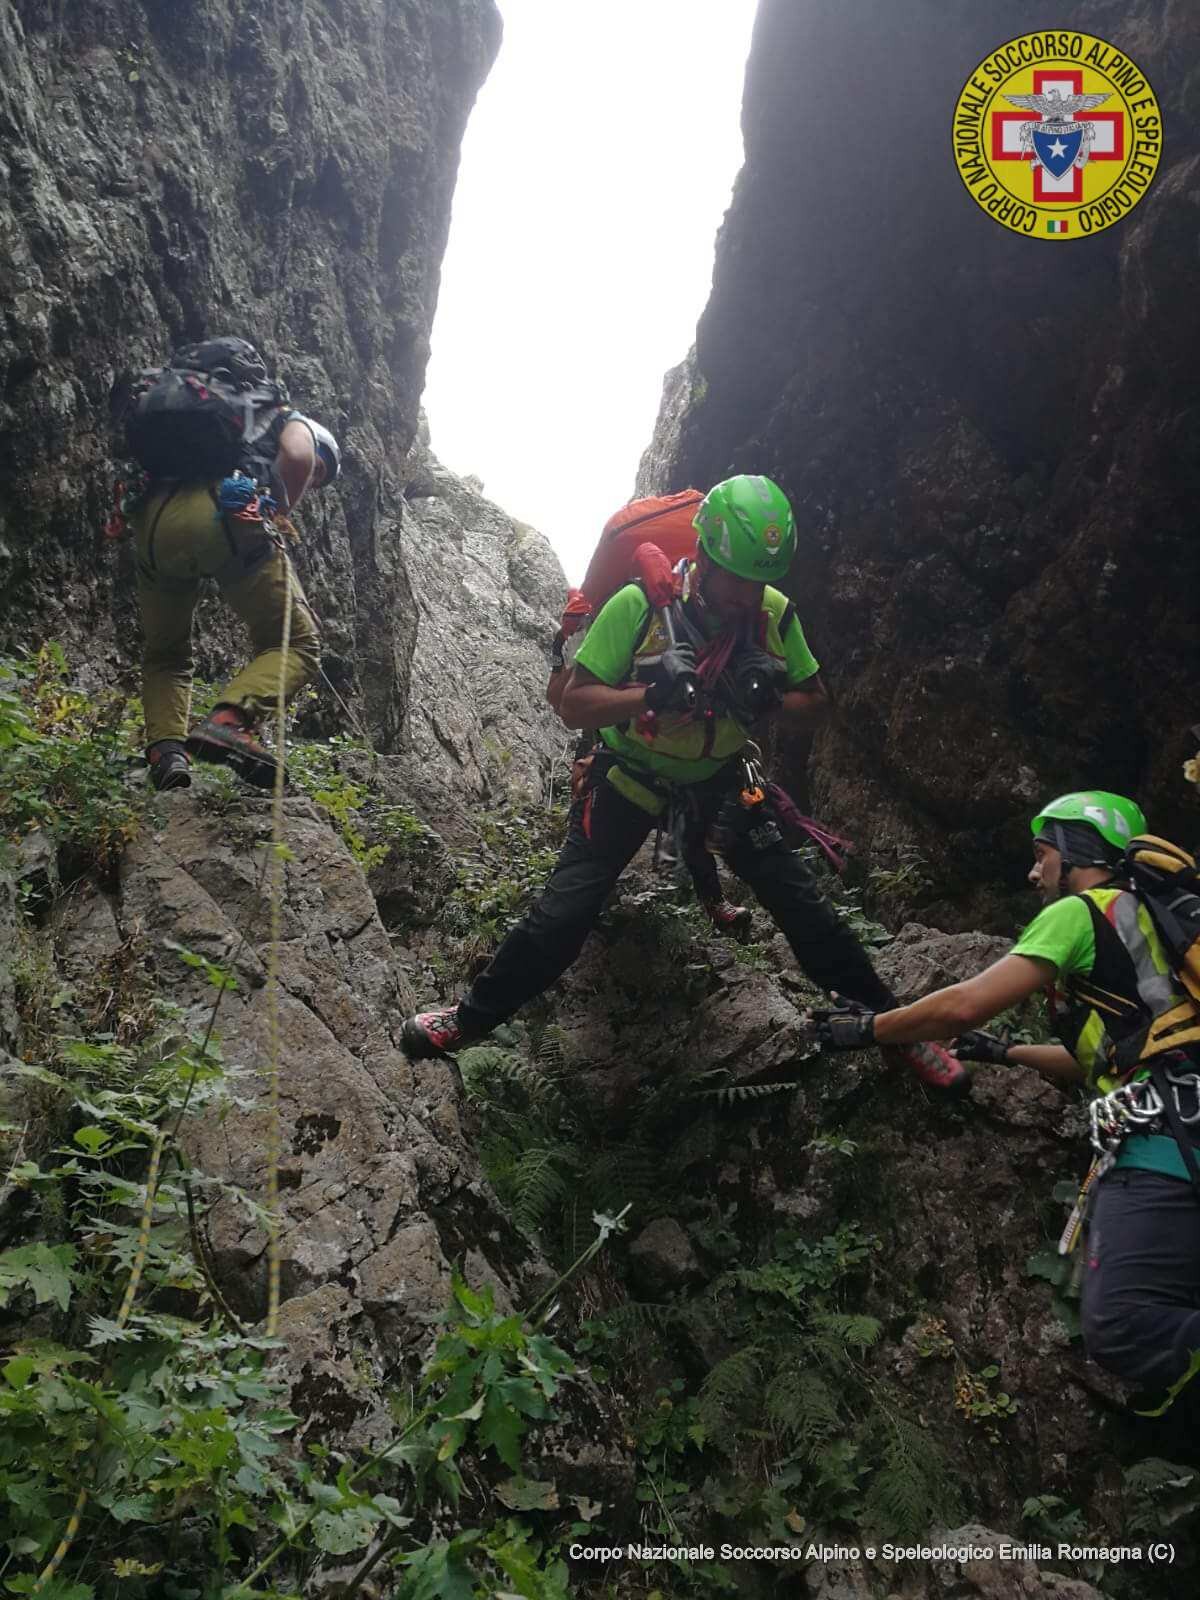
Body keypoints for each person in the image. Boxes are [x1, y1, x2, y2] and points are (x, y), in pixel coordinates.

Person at [403, 473, 967, 1097]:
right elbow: (575, 704)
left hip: (720, 782)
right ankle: (471, 1019)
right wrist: (651, 692)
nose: (748, 595)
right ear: (705, 557)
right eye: (737, 578)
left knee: (802, 904)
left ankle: (894, 1026)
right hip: (628, 782)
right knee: (563, 914)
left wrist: (772, 691)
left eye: (760, 581)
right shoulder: (638, 606)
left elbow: (816, 704)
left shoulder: (774, 616)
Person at [812, 789, 1200, 1404]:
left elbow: (965, 1002)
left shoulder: (1082, 912)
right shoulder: (1157, 927)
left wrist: (868, 1029)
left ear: (1075, 850)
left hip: (1164, 1147)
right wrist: (1003, 1052)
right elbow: (1106, 1054)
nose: (1033, 870)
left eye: (1042, 854)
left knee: (1124, 1325)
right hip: (1183, 1125)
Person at [131, 337, 341, 791]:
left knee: (165, 653)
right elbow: (300, 456)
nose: (316, 477)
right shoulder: (287, 416)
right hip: (224, 515)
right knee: (298, 643)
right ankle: (232, 719)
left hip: (151, 523)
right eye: (324, 471)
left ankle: (167, 753)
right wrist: (279, 508)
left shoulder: (207, 407)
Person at [547, 602, 752, 935]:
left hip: (636, 728)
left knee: (692, 831)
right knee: (593, 821)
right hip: (603, 740)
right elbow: (557, 696)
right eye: (573, 617)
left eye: (581, 616)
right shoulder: (565, 642)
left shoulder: (622, 623)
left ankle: (710, 899)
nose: (577, 620)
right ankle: (592, 897)